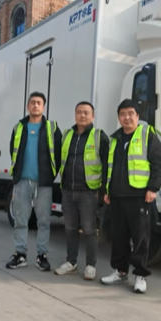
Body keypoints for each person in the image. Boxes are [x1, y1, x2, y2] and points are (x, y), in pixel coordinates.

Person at [100, 99, 161, 294]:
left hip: (139, 196)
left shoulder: (147, 136)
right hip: (117, 197)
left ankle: (140, 275)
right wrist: (106, 190)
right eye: (123, 114)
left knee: (140, 238)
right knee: (118, 237)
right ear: (118, 117)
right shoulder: (114, 139)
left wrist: (153, 188)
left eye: (130, 114)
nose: (126, 117)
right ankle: (120, 271)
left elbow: (158, 164)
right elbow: (108, 167)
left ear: (137, 116)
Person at [6, 91, 61, 271]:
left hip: (44, 183)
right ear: (28, 106)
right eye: (32, 102)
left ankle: (41, 255)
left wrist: (50, 175)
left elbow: (58, 154)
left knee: (43, 221)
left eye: (39, 102)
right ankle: (20, 254)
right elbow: (13, 150)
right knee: (20, 220)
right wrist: (17, 173)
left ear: (43, 107)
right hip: (22, 181)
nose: (35, 105)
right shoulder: (19, 127)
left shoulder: (52, 128)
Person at [54, 101, 109, 280]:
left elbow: (107, 166)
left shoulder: (99, 137)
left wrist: (104, 191)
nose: (82, 115)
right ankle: (71, 262)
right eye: (79, 112)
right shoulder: (67, 135)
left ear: (92, 116)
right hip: (68, 190)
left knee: (89, 229)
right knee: (70, 228)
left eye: (86, 112)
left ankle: (91, 265)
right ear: (75, 114)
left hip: (89, 192)